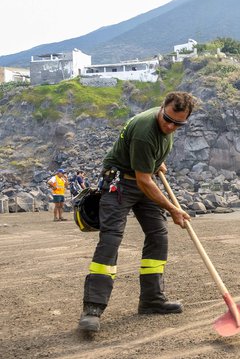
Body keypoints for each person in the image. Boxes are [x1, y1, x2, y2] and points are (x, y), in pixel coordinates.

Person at [78, 92, 197, 332]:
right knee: (111, 239)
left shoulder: (165, 127)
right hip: (120, 184)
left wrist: (156, 161)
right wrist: (173, 208)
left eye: (178, 123)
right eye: (167, 119)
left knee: (158, 235)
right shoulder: (145, 130)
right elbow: (144, 180)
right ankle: (93, 309)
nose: (170, 125)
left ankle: (152, 300)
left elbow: (149, 166)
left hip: (143, 180)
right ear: (161, 107)